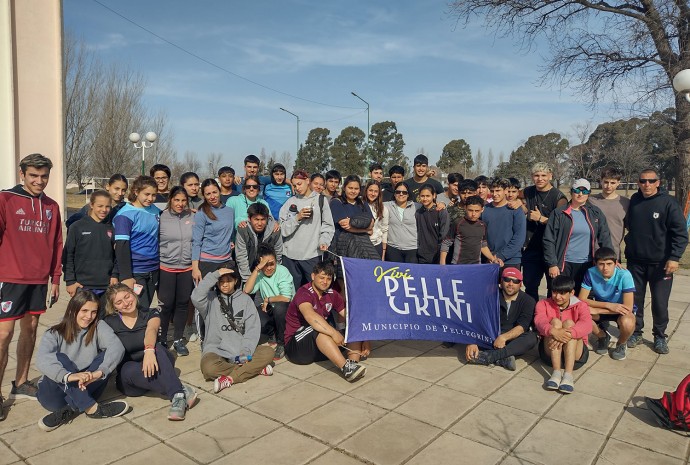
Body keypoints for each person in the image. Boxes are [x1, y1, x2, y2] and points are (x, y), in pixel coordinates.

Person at [0, 154, 63, 419]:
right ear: (22, 174)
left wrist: (55, 278)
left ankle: (21, 382)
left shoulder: (52, 206)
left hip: (39, 281)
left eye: (44, 176)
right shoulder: (5, 199)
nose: (39, 181)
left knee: (32, 329)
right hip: (10, 278)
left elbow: (57, 242)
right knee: (3, 334)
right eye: (33, 175)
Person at [35, 290, 127, 431]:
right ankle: (92, 408)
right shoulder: (55, 331)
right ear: (73, 309)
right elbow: (42, 358)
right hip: (57, 390)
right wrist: (70, 376)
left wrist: (99, 372)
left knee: (106, 357)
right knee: (59, 358)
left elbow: (117, 347)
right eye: (84, 310)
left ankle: (72, 407)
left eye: (93, 312)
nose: (89, 316)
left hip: (87, 382)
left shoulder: (98, 326)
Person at [104, 284, 197, 421]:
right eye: (119, 302)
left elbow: (151, 330)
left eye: (127, 296)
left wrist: (148, 351)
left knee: (157, 348)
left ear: (133, 294)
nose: (126, 303)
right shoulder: (110, 322)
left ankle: (177, 396)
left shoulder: (150, 313)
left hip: (158, 361)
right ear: (114, 307)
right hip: (132, 377)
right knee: (126, 369)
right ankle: (180, 388)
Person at [624, 168, 688, 353]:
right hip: (635, 262)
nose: (647, 184)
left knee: (660, 302)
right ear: (638, 183)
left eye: (651, 181)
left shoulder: (668, 203)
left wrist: (674, 257)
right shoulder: (634, 201)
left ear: (658, 182)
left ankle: (660, 336)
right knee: (635, 300)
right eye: (643, 181)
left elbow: (680, 234)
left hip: (661, 264)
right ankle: (636, 332)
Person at [191, 267, 275, 393]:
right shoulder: (209, 299)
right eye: (221, 281)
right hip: (216, 350)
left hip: (241, 349)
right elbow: (195, 297)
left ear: (235, 281)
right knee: (208, 368)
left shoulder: (245, 300)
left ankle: (230, 378)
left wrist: (245, 351)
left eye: (228, 280)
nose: (224, 284)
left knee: (268, 352)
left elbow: (252, 330)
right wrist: (215, 274)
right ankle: (253, 369)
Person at [283, 261, 367, 382]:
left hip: (317, 347)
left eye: (328, 278)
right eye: (321, 277)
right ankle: (346, 368)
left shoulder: (332, 294)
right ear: (313, 276)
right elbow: (311, 316)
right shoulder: (304, 292)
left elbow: (351, 318)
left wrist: (365, 339)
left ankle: (353, 363)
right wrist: (334, 333)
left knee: (351, 326)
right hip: (296, 347)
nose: (325, 282)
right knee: (319, 327)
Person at [543, 178, 612, 294]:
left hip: (587, 264)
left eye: (584, 192)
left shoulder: (595, 213)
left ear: (588, 194)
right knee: (559, 297)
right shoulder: (559, 213)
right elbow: (548, 239)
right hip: (563, 264)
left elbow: (605, 237)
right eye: (577, 191)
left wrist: (610, 259)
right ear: (571, 192)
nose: (580, 194)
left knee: (584, 300)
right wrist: (552, 264)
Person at [466, 267, 538, 371]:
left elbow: (522, 327)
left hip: (512, 340)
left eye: (515, 281)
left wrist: (504, 337)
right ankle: (503, 358)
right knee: (474, 343)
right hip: (491, 337)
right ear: (501, 281)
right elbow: (476, 319)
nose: (511, 284)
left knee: (532, 338)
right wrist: (471, 341)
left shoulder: (529, 301)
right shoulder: (489, 296)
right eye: (507, 279)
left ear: (521, 284)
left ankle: (490, 357)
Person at [534, 275, 592, 394]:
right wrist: (553, 331)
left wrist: (568, 333)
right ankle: (556, 373)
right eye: (554, 292)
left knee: (569, 324)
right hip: (550, 354)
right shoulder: (543, 303)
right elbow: (539, 320)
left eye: (562, 293)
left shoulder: (581, 305)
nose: (557, 297)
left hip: (576, 355)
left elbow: (587, 325)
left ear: (571, 293)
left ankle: (568, 375)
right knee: (555, 323)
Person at [279, 170, 335, 290]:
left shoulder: (320, 200)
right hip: (290, 257)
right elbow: (282, 230)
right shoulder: (290, 202)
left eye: (299, 184)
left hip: (312, 255)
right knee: (291, 293)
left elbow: (328, 226)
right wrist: (297, 218)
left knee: (315, 292)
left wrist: (324, 242)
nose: (297, 188)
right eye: (294, 186)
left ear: (307, 181)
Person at [521, 163, 568, 301]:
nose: (540, 178)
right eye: (536, 175)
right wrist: (521, 205)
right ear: (532, 177)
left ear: (550, 176)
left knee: (553, 286)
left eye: (543, 175)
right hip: (531, 248)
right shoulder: (529, 191)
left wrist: (541, 218)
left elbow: (563, 224)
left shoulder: (559, 197)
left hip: (551, 249)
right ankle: (531, 315)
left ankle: (549, 316)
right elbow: (511, 194)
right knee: (530, 284)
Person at [578, 247, 636, 360]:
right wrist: (607, 305)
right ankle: (602, 336)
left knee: (628, 322)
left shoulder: (625, 275)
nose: (605, 268)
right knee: (582, 314)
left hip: (621, 309)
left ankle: (621, 343)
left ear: (616, 263)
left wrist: (598, 309)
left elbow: (628, 307)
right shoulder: (590, 272)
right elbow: (582, 298)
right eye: (601, 264)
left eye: (609, 264)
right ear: (595, 263)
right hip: (606, 307)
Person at [113, 176, 161, 310]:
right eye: (146, 194)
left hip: (153, 269)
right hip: (136, 272)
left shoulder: (156, 211)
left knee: (146, 307)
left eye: (154, 195)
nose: (150, 198)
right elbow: (121, 247)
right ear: (135, 191)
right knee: (138, 308)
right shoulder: (125, 215)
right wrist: (126, 276)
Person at [63, 190, 117, 304]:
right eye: (100, 206)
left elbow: (116, 256)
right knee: (83, 319)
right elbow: (68, 255)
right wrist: (70, 281)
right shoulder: (77, 227)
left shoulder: (111, 228)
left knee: (103, 320)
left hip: (106, 286)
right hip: (82, 285)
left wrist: (114, 275)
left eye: (107, 206)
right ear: (91, 205)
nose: (104, 210)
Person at [158, 186, 194, 356]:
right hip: (166, 267)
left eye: (183, 200)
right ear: (170, 199)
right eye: (176, 200)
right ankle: (163, 338)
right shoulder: (161, 217)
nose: (180, 204)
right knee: (166, 305)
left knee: (182, 304)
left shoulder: (192, 216)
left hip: (186, 267)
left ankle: (178, 339)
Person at [243, 245, 295, 360]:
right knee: (255, 314)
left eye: (272, 264)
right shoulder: (260, 273)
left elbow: (286, 298)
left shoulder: (282, 271)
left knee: (280, 308)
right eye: (265, 265)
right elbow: (246, 290)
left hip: (288, 308)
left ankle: (282, 343)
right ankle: (273, 333)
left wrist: (268, 299)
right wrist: (257, 270)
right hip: (271, 308)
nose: (269, 268)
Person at [329, 175, 380, 275]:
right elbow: (345, 225)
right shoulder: (336, 202)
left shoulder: (362, 203)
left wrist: (354, 223)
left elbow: (371, 223)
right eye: (350, 188)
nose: (353, 191)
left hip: (363, 246)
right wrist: (365, 229)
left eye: (356, 188)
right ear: (344, 188)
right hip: (344, 247)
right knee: (346, 278)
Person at [192, 178, 235, 282]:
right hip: (207, 262)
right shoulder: (201, 213)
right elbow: (196, 242)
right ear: (204, 196)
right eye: (208, 194)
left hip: (226, 261)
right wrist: (195, 268)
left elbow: (229, 232)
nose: (212, 197)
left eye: (215, 192)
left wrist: (230, 241)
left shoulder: (230, 211)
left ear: (219, 191)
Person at [440, 196, 499, 265]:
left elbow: (483, 245)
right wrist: (442, 263)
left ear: (482, 209)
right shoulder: (458, 223)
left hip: (476, 266)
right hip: (458, 265)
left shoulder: (482, 225)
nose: (473, 214)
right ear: (465, 208)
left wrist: (493, 259)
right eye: (470, 210)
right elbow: (446, 243)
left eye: (477, 211)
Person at [481, 178, 526, 269]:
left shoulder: (515, 210)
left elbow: (519, 238)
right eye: (492, 191)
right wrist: (490, 256)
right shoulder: (484, 209)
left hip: (511, 260)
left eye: (498, 190)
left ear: (506, 190)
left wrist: (500, 256)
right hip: (488, 259)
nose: (494, 194)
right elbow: (480, 235)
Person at [588, 166, 629, 261]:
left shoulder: (625, 203)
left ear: (618, 183)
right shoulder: (590, 200)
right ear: (601, 181)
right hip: (590, 251)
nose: (608, 186)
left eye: (613, 182)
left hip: (613, 252)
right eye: (606, 182)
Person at [235, 203, 284, 282]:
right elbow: (241, 257)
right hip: (249, 271)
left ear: (267, 218)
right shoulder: (242, 230)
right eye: (256, 219)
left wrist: (275, 276)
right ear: (249, 219)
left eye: (263, 219)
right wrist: (247, 279)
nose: (260, 223)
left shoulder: (275, 231)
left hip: (268, 272)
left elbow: (278, 254)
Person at [384, 182, 419, 263]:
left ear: (408, 194)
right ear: (394, 193)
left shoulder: (417, 207)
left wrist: (441, 203)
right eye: (398, 192)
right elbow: (372, 204)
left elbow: (430, 205)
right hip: (393, 248)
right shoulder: (387, 206)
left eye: (404, 192)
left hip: (412, 249)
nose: (401, 194)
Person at [416, 184, 450, 264]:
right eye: (422, 196)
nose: (425, 199)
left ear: (434, 196)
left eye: (428, 196)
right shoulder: (418, 213)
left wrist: (441, 255)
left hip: (438, 255)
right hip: (422, 256)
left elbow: (444, 236)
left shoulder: (441, 212)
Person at [364, 179, 389, 259]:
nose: (373, 194)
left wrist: (383, 253)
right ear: (366, 190)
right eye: (370, 190)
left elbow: (384, 230)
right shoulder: (359, 204)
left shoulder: (383, 209)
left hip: (376, 246)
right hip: (362, 244)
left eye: (376, 191)